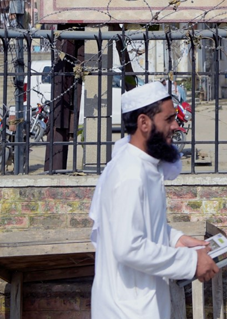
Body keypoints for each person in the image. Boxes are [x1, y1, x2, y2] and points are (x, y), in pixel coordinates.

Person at [90, 82, 219, 318]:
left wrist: (177, 239)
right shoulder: (130, 174)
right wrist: (191, 262)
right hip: (126, 310)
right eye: (169, 119)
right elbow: (128, 247)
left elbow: (141, 224)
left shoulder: (143, 166)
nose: (176, 127)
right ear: (144, 123)